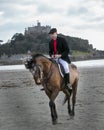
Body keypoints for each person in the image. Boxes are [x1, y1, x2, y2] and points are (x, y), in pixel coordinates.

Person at [48, 28, 72, 93]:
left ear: (56, 33)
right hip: (54, 58)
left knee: (66, 67)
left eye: (53, 34)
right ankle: (47, 84)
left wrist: (60, 55)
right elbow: (50, 52)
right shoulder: (50, 42)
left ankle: (68, 83)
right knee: (47, 67)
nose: (52, 35)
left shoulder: (62, 40)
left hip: (62, 58)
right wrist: (51, 55)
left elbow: (67, 50)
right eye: (51, 34)